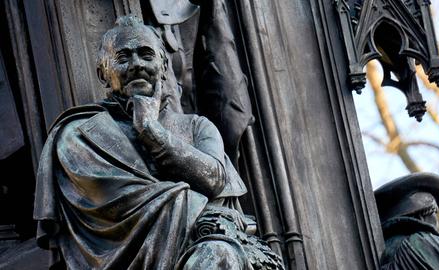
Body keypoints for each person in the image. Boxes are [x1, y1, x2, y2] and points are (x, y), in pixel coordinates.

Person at [33, 15, 282, 270]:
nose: (137, 64)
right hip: (122, 259)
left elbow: (215, 180)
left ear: (164, 66)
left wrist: (151, 131)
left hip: (202, 251)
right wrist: (201, 212)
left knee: (217, 255)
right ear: (103, 74)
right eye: (123, 58)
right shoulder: (80, 134)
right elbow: (117, 205)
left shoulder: (197, 126)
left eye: (146, 55)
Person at [374, 173, 439, 270]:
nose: (435, 220)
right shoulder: (419, 243)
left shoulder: (420, 242)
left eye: (434, 212)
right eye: (432, 212)